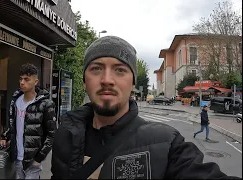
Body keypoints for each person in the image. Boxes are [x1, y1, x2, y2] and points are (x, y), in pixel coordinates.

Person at [51, 36, 239, 179]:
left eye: (120, 70)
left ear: (133, 83)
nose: (107, 80)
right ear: (84, 82)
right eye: (96, 68)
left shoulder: (167, 144)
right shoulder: (66, 134)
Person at [0, 63, 56, 179]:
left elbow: (52, 135)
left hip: (33, 159)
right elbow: (12, 123)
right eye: (20, 79)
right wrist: (5, 136)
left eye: (26, 79)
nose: (22, 82)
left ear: (36, 81)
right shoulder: (15, 101)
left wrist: (39, 158)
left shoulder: (46, 104)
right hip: (17, 156)